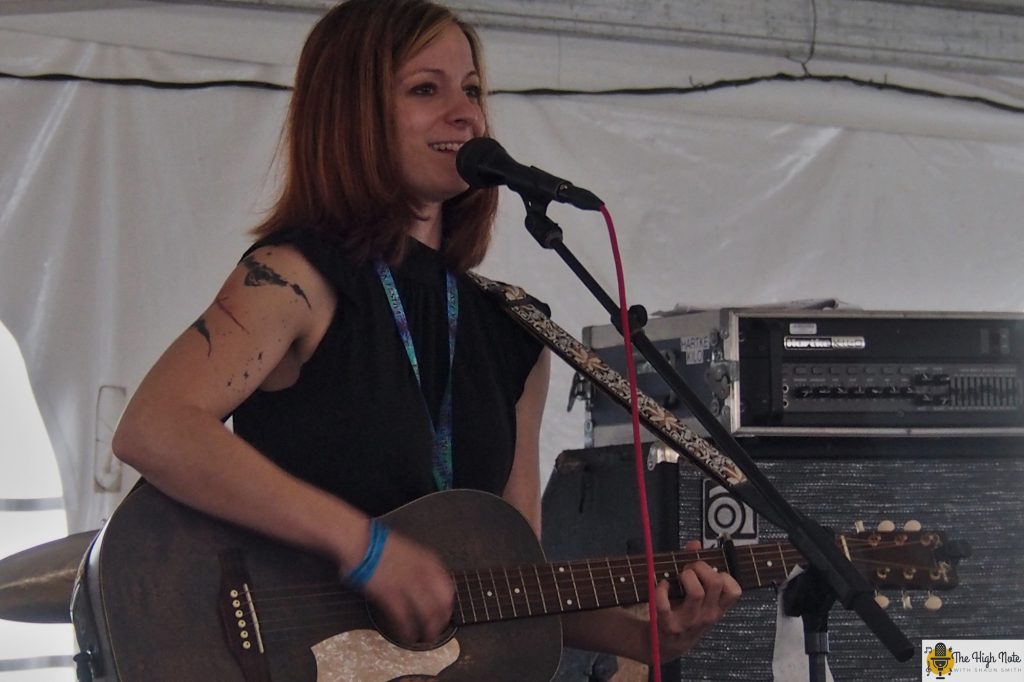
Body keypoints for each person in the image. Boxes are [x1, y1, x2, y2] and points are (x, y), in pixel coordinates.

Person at [111, 0, 741, 675]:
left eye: (471, 89)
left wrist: (641, 636)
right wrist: (366, 547)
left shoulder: (514, 331)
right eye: (425, 89)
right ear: (352, 116)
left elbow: (509, 581)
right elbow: (154, 427)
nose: (466, 113)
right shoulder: (294, 279)